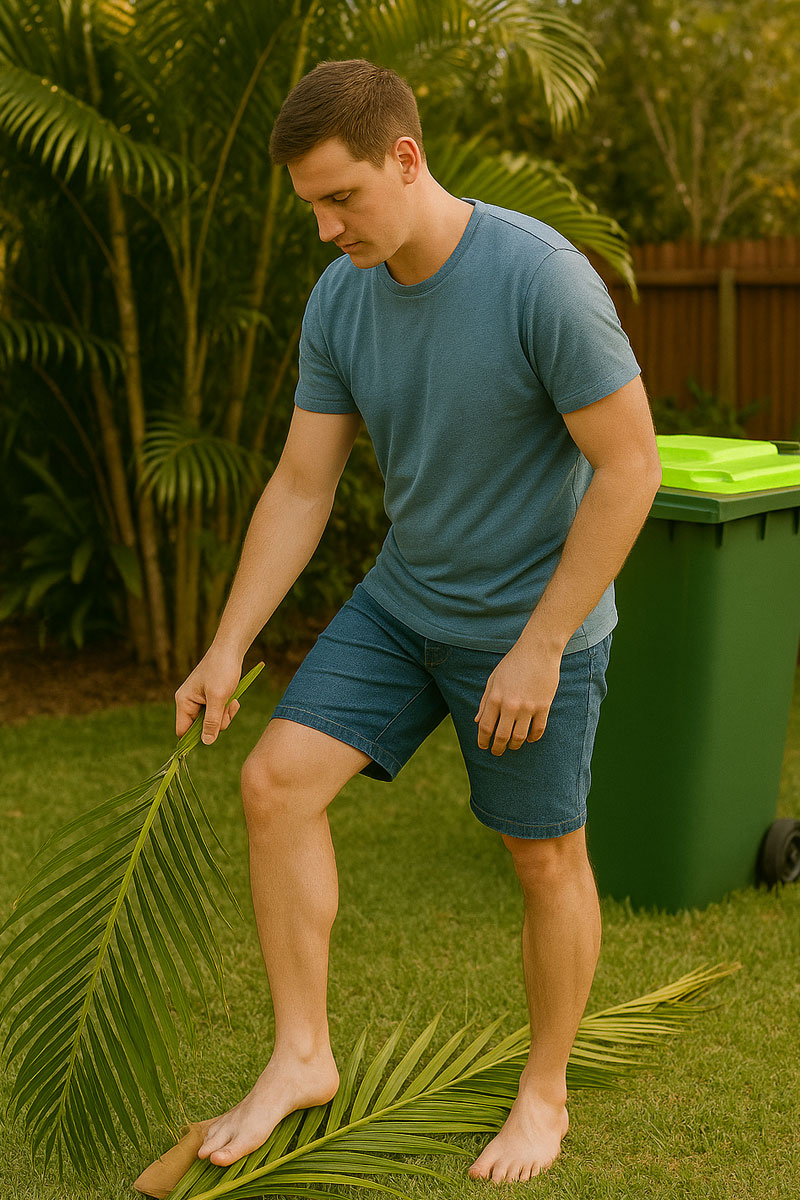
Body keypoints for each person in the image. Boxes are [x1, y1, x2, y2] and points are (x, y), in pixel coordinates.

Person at [135, 58, 662, 1195]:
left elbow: (628, 468)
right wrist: (226, 646)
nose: (326, 229)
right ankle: (301, 1054)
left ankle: (545, 1089)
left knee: (541, 856)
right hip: (403, 599)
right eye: (312, 208)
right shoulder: (342, 297)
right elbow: (300, 484)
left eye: (342, 199)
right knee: (274, 785)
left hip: (532, 622)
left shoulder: (538, 281)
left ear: (405, 158)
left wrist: (536, 644)